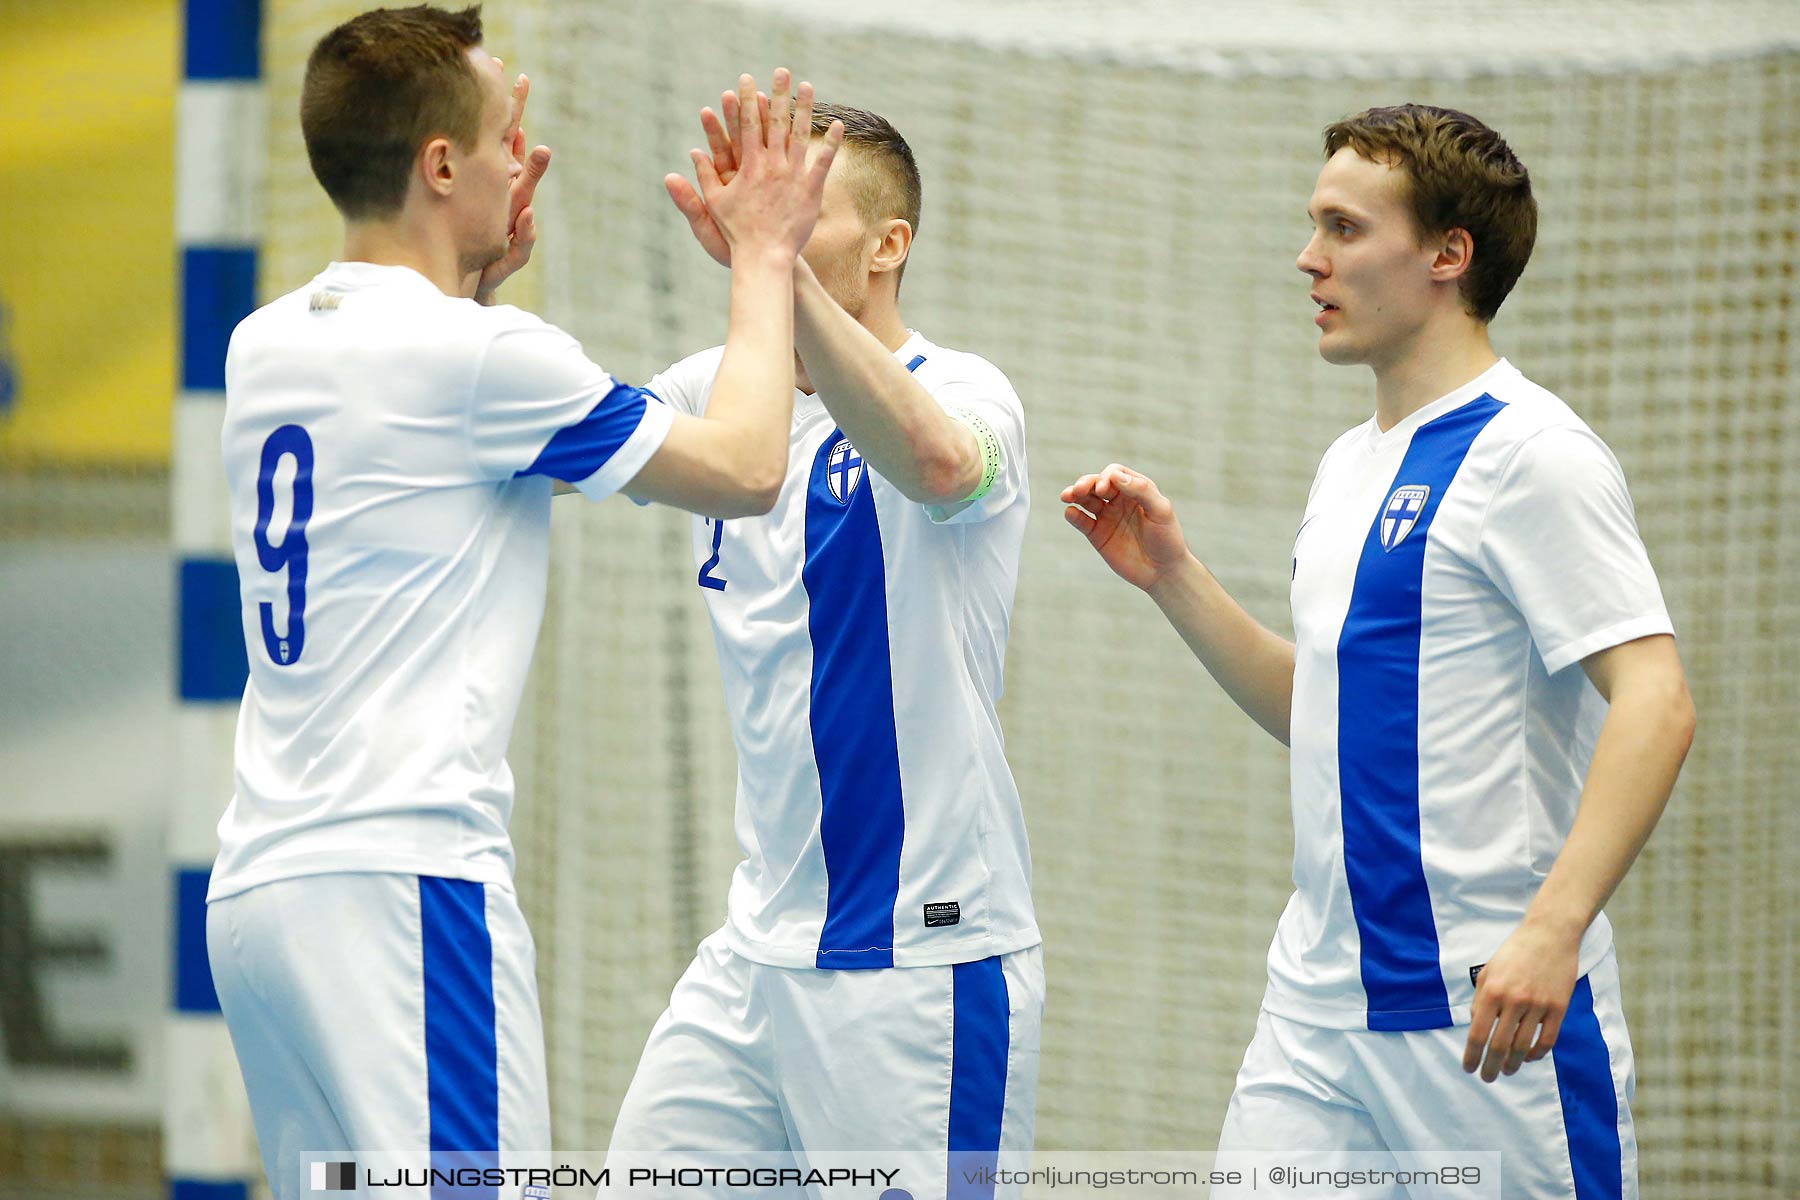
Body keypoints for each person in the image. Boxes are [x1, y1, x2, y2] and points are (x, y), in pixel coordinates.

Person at [203, 5, 841, 1196]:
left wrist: (470, 285)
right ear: (440, 165)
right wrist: (764, 253)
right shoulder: (485, 361)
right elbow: (750, 468)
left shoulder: (264, 344)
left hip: (262, 897)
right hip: (405, 890)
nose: (519, 160)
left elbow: (422, 449)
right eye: (506, 135)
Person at [1061, 105, 1694, 1198]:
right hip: (1313, 1015)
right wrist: (1172, 574)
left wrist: (1551, 934)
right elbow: (1326, 710)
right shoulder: (1349, 466)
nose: (1310, 258)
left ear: (1449, 254)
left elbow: (1657, 700)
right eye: (1315, 225)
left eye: (1346, 229)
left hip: (1487, 1013)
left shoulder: (1534, 453)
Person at [599, 95, 1044, 1194]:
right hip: (758, 951)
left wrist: (769, 262)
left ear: (891, 245)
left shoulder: (965, 391)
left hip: (919, 958)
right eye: (765, 208)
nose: (776, 226)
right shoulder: (718, 392)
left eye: (806, 212)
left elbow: (941, 465)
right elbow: (551, 441)